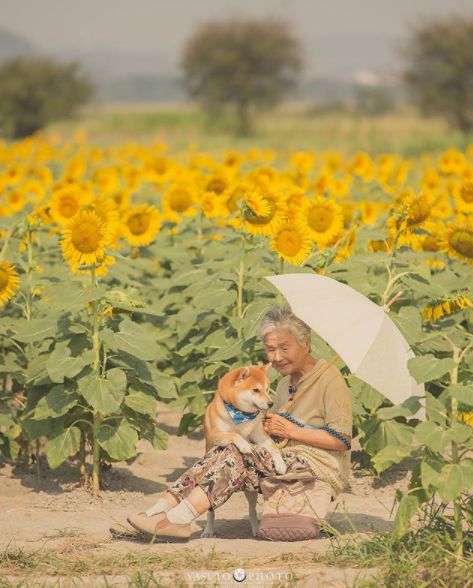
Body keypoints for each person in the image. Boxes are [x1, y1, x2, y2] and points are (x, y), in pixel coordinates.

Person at [120, 305, 352, 541]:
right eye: (270, 349)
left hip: (316, 465)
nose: (277, 357)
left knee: (234, 453)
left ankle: (177, 520)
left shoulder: (330, 379)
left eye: (284, 347)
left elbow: (341, 441)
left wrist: (291, 430)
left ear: (306, 344)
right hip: (281, 460)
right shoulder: (283, 384)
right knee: (223, 449)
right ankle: (159, 511)